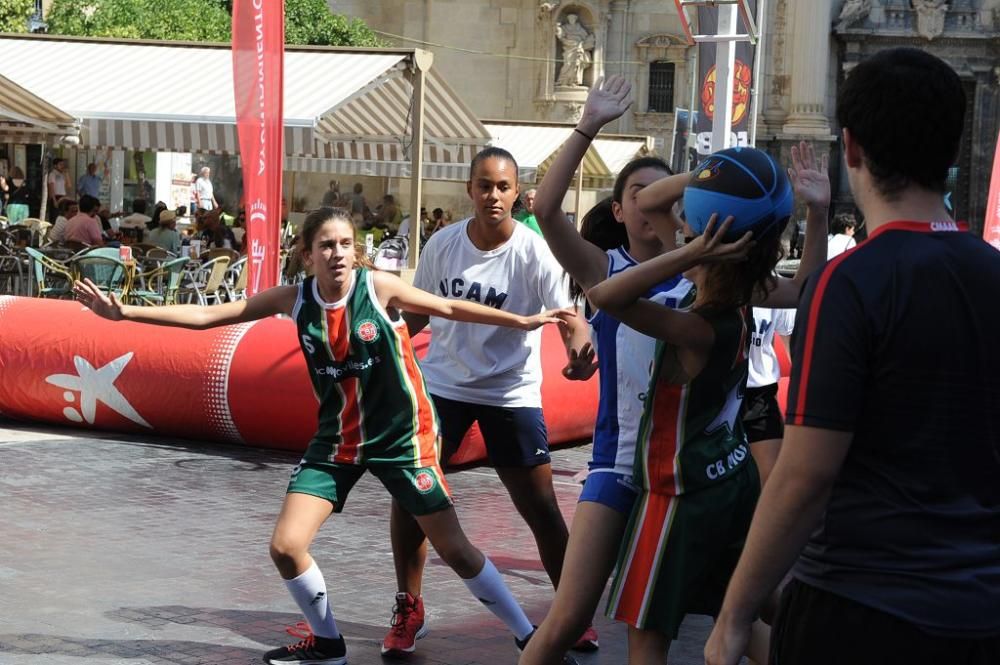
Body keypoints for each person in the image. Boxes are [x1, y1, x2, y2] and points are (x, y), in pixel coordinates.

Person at [73, 206, 579, 665]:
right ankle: (328, 644)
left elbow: (447, 308)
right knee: (286, 546)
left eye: (344, 244)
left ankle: (528, 636)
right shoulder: (293, 300)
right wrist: (125, 313)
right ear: (307, 253)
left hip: (403, 438)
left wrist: (521, 319)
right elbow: (208, 316)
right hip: (337, 440)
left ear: (354, 250)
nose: (337, 254)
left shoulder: (379, 288)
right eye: (326, 245)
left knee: (456, 550)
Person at [706, 47, 1000, 665]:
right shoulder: (991, 271)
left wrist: (736, 614)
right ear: (953, 153)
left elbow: (806, 474)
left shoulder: (850, 282)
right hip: (979, 604)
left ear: (852, 147)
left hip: (863, 602)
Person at [584, 139, 827, 664]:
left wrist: (690, 247)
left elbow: (604, 298)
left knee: (647, 639)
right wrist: (721, 176)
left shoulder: (696, 326)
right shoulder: (745, 295)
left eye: (688, 236)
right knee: (751, 608)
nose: (679, 237)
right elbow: (808, 287)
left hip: (678, 495)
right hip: (729, 483)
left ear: (707, 252)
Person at [383, 146, 594, 658]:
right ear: (470, 190)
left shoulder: (533, 251)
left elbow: (568, 316)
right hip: (444, 389)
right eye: (484, 185)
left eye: (503, 186)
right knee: (413, 498)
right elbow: (416, 315)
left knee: (542, 509)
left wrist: (580, 347)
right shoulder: (444, 243)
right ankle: (409, 606)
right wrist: (382, 353)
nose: (493, 195)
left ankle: (572, 615)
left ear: (516, 192)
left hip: (509, 393)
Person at [518, 78, 689, 664]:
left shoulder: (704, 274)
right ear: (618, 210)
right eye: (639, 194)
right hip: (619, 466)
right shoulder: (603, 268)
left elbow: (798, 287)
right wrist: (587, 124)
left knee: (658, 629)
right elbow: (543, 208)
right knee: (566, 618)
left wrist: (815, 212)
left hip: (684, 470)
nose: (651, 205)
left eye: (664, 195)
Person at [742, 307, 795, 486]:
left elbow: (795, 349)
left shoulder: (774, 287)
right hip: (717, 394)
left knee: (771, 482)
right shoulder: (703, 284)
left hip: (758, 394)